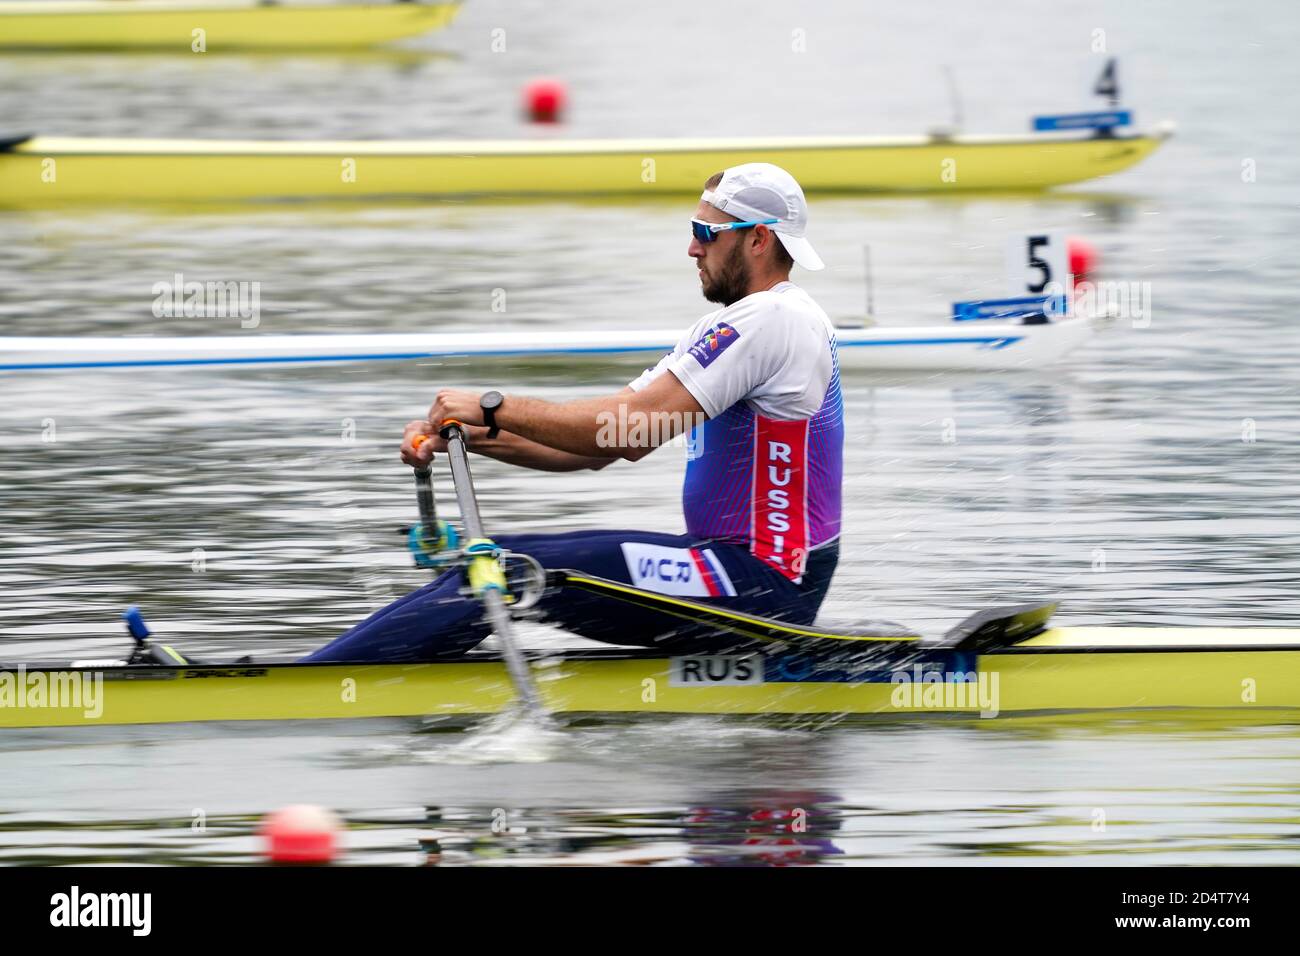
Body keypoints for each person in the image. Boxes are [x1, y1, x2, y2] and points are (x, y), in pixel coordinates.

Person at [303, 163, 844, 662]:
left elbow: (626, 433)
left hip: (763, 585)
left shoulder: (775, 319)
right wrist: (471, 434)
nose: (691, 248)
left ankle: (323, 688)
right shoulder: (731, 327)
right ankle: (331, 673)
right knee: (490, 562)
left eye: (705, 232)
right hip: (727, 571)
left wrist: (495, 406)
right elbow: (589, 451)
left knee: (509, 572)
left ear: (758, 238)